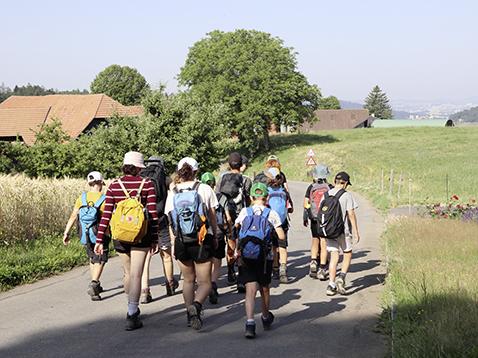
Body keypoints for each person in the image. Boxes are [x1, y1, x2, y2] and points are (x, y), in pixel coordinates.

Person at [94, 151, 159, 331]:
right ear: (139, 167)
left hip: (120, 235)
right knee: (137, 275)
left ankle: (130, 303)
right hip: (141, 235)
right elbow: (153, 215)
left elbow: (106, 215)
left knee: (128, 273)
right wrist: (155, 238)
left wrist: (100, 240)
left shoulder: (114, 186)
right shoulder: (147, 185)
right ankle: (132, 312)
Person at [165, 157, 219, 330]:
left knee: (188, 281)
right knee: (205, 282)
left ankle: (190, 316)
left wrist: (174, 243)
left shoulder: (172, 192)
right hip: (202, 239)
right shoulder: (204, 188)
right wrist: (216, 234)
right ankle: (196, 306)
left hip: (182, 240)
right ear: (196, 171)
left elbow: (170, 220)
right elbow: (212, 215)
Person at [235, 182, 286, 338]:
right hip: (265, 257)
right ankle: (265, 316)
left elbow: (237, 227)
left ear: (251, 197)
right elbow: (281, 235)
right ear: (267, 197)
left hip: (247, 255)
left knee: (250, 290)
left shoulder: (245, 211)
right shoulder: (271, 213)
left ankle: (250, 322)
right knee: (264, 288)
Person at [63, 171, 108, 301]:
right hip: (100, 233)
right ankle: (94, 283)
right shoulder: (104, 199)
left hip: (85, 233)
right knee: (100, 258)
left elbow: (73, 216)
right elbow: (108, 218)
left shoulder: (82, 198)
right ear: (100, 183)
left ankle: (96, 283)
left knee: (92, 257)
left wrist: (66, 232)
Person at [139, 156, 178, 303]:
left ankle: (145, 291)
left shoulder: (141, 178)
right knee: (166, 254)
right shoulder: (165, 178)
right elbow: (175, 193)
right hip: (161, 219)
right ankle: (170, 284)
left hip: (144, 220)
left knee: (145, 257)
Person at [216, 152, 252, 291]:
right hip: (241, 217)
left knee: (230, 244)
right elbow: (249, 200)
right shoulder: (246, 180)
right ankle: (241, 278)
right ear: (241, 164)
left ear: (229, 164)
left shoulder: (222, 178)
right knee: (241, 246)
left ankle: (230, 271)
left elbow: (217, 197)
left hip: (226, 217)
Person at [320, 172, 360, 296]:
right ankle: (341, 277)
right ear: (346, 183)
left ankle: (331, 285)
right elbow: (351, 214)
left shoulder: (326, 194)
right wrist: (356, 232)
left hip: (330, 231)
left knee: (334, 255)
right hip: (343, 231)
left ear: (335, 181)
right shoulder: (347, 195)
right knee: (347, 252)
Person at [201, 172, 231, 304]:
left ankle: (206, 284)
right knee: (217, 261)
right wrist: (229, 229)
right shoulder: (221, 197)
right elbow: (228, 217)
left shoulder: (198, 195)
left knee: (206, 261)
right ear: (214, 183)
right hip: (218, 232)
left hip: (204, 233)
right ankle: (213, 283)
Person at [303, 164, 333, 280]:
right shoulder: (330, 187)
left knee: (315, 239)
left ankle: (313, 262)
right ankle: (322, 268)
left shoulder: (311, 187)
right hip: (325, 218)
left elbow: (306, 203)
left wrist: (306, 215)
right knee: (324, 241)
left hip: (314, 218)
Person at [265, 167, 292, 284]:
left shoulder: (266, 191)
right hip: (283, 222)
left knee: (273, 246)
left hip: (270, 222)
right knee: (282, 246)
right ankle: (283, 271)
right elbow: (290, 208)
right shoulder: (284, 192)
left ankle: (274, 269)